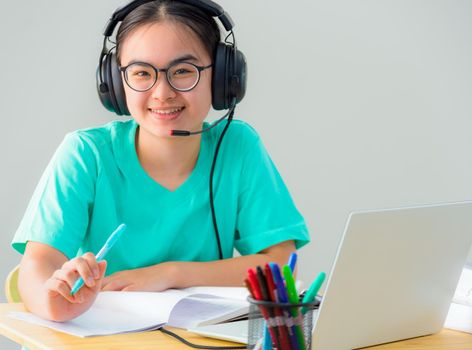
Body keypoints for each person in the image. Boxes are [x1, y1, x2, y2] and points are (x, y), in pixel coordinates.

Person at [11, 0, 309, 323]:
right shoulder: (86, 154)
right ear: (114, 81)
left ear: (224, 77)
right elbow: (37, 264)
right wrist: (52, 300)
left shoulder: (237, 147)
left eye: (183, 71)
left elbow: (281, 265)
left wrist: (169, 274)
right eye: (141, 73)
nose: (162, 92)